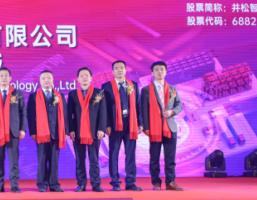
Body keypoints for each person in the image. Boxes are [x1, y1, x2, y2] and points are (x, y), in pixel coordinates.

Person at [141, 61, 184, 191]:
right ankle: (156, 182)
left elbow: (179, 105)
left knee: (170, 157)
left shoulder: (172, 89)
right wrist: (146, 127)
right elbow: (143, 110)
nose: (160, 72)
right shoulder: (146, 90)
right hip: (154, 128)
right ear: (152, 72)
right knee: (154, 158)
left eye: (162, 69)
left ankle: (170, 182)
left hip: (170, 127)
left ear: (165, 72)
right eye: (157, 69)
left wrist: (172, 112)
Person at [102, 60, 143, 191]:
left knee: (130, 153)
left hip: (130, 123)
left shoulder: (133, 85)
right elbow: (104, 108)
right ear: (113, 71)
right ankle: (115, 182)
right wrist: (107, 124)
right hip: (114, 124)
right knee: (114, 154)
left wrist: (140, 123)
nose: (120, 70)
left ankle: (131, 182)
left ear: (125, 70)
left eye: (122, 68)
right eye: (117, 68)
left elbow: (138, 105)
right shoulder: (106, 86)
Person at [0, 67, 27, 193]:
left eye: (6, 76)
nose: (4, 78)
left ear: (10, 78)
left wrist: (22, 129)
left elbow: (23, 112)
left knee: (14, 160)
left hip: (13, 131)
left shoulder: (17, 93)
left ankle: (14, 185)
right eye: (1, 76)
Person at [28, 70, 68, 192]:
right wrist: (33, 132)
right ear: (40, 81)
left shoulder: (59, 96)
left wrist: (66, 131)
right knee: (42, 159)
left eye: (49, 78)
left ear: (53, 80)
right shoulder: (34, 96)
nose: (46, 80)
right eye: (44, 78)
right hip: (40, 133)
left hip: (56, 132)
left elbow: (65, 115)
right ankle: (42, 184)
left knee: (54, 160)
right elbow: (30, 116)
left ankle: (54, 184)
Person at [68, 67, 107, 192]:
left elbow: (103, 113)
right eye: (82, 75)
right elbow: (69, 114)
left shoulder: (99, 93)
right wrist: (71, 130)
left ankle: (96, 184)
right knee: (80, 160)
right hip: (78, 132)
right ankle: (81, 184)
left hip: (94, 131)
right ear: (78, 79)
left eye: (87, 75)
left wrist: (101, 129)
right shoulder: (73, 94)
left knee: (94, 159)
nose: (84, 77)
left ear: (91, 78)